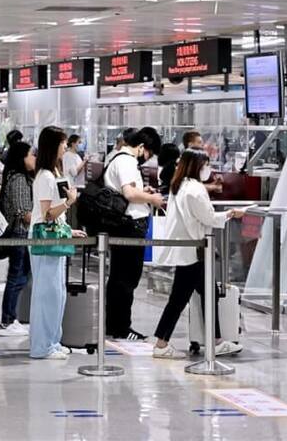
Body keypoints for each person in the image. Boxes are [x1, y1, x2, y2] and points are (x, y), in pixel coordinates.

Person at [152, 149, 244, 358]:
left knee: (209, 293)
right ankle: (161, 344)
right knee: (179, 299)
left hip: (190, 250)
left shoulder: (180, 186)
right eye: (206, 165)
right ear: (197, 166)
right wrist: (230, 214)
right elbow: (208, 217)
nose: (208, 169)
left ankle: (216, 340)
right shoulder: (194, 189)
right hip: (194, 252)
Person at [29, 127, 87, 359]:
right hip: (44, 240)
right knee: (46, 294)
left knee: (57, 293)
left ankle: (53, 341)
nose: (66, 146)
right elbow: (46, 214)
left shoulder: (52, 173)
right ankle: (42, 346)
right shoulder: (45, 176)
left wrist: (68, 229)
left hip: (55, 236)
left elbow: (54, 216)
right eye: (62, 143)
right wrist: (69, 202)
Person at [104, 127, 164, 340]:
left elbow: (127, 191)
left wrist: (143, 192)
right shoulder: (127, 161)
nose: (146, 157)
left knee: (119, 277)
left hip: (123, 224)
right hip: (129, 225)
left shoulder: (117, 158)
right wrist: (152, 199)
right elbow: (129, 194)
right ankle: (121, 327)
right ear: (141, 147)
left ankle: (114, 325)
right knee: (127, 278)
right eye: (148, 153)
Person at [0, 141, 35, 336]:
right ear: (22, 157)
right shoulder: (19, 179)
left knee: (19, 276)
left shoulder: (18, 177)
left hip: (21, 233)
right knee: (16, 276)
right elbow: (23, 212)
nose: (34, 158)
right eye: (31, 155)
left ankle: (10, 318)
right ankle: (7, 321)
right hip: (20, 233)